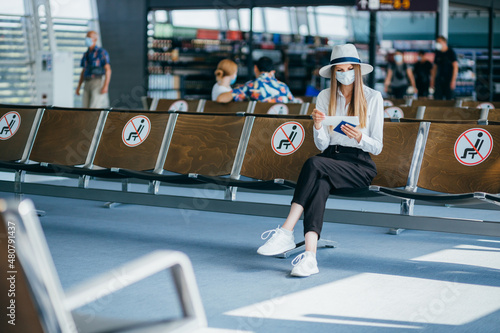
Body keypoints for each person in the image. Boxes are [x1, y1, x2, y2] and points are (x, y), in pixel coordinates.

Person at [257, 44, 384, 277]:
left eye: (349, 69)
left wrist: (360, 137)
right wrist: (317, 126)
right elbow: (323, 145)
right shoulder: (325, 96)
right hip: (330, 159)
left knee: (314, 164)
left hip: (358, 164)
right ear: (334, 72)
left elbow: (377, 145)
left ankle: (286, 231)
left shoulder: (373, 97)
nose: (345, 73)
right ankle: (310, 257)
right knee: (320, 183)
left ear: (357, 70)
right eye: (340, 69)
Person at [217, 56, 295, 103]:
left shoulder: (251, 86)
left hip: (260, 126)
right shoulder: (283, 87)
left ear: (255, 68)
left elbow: (221, 99)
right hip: (281, 127)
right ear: (272, 72)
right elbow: (294, 104)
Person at [76, 31, 111, 108]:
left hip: (97, 82)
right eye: (86, 37)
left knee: (94, 107)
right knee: (84, 108)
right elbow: (83, 71)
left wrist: (105, 86)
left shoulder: (101, 53)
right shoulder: (86, 54)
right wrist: (79, 86)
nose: (87, 39)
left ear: (95, 39)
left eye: (89, 37)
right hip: (87, 82)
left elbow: (108, 70)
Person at [431, 35, 458, 100]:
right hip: (439, 79)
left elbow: (455, 67)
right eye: (437, 42)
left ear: (444, 42)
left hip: (448, 79)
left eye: (439, 42)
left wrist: (453, 80)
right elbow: (435, 68)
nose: (438, 43)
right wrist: (432, 80)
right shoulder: (438, 53)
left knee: (449, 99)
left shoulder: (451, 52)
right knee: (437, 98)